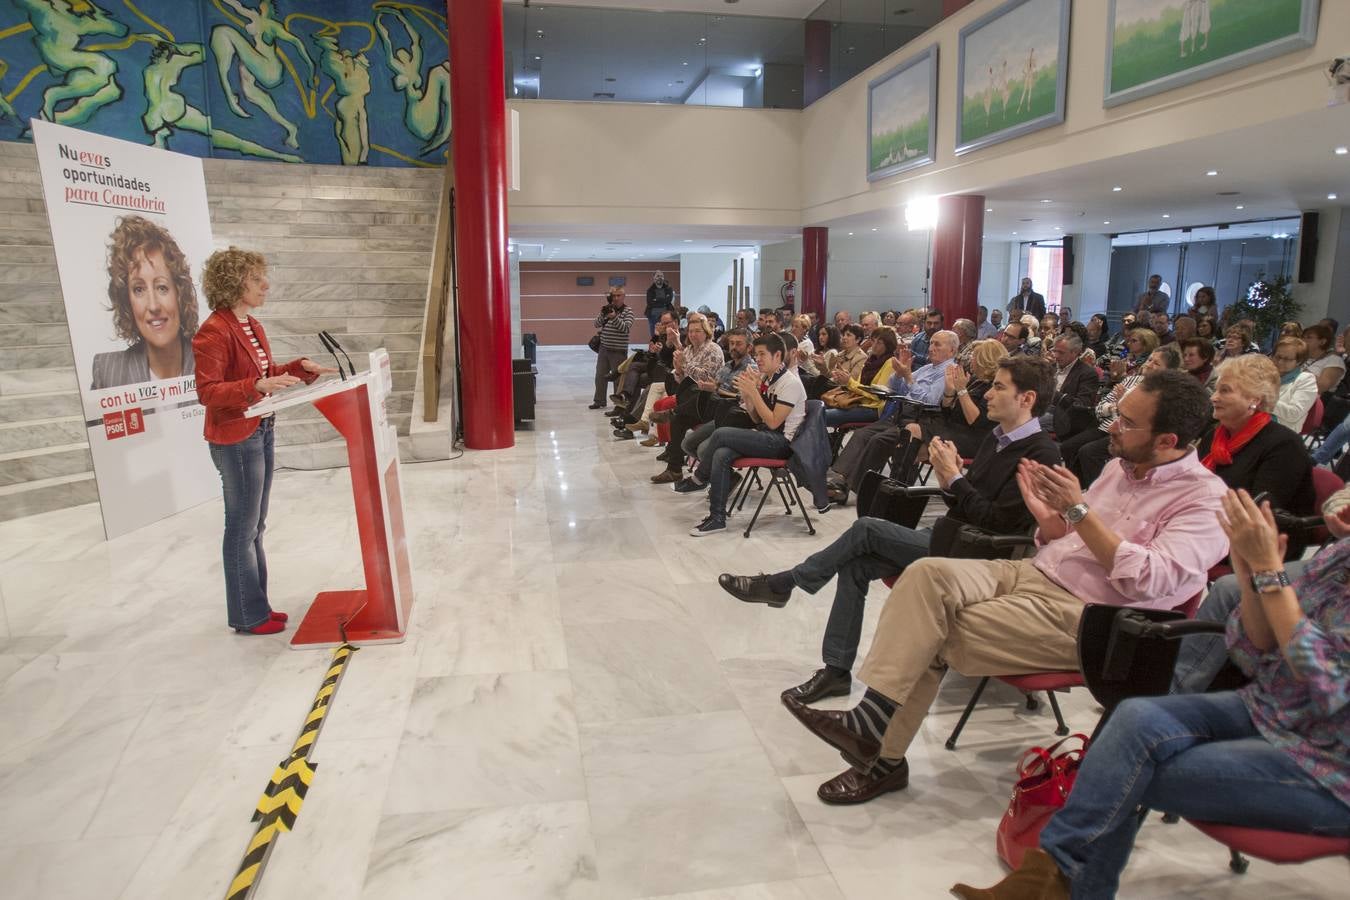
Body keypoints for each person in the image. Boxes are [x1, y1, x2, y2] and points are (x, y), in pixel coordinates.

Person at [782, 370, 1229, 803]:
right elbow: (1067, 535)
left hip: (1094, 616)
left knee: (933, 631)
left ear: (1168, 441)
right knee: (924, 576)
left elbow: (1151, 578)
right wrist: (1051, 516)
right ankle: (870, 729)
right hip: (1035, 572)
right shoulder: (1120, 467)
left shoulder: (1205, 500)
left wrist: (1077, 512)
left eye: (1128, 423)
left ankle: (879, 757)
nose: (1112, 426)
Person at [955, 494, 1350, 900]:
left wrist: (1269, 572)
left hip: (1327, 763)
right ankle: (1057, 880)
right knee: (1134, 718)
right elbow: (1256, 646)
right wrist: (1251, 576)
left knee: (1124, 772)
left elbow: (1329, 682)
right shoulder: (1340, 557)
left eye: (1127, 423)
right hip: (1274, 710)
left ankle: (1057, 883)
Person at [717, 356, 1061, 714]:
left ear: (1027, 399)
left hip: (980, 558)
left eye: (999, 386)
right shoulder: (998, 438)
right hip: (953, 536)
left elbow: (999, 523)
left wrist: (956, 480)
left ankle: (784, 583)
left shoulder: (1040, 454)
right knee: (857, 564)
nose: (987, 394)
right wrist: (951, 479)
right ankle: (836, 670)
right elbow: (966, 503)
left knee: (866, 528)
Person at [193, 248, 336, 635]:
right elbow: (208, 391)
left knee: (256, 525)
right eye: (257, 279)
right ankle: (247, 614)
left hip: (262, 428)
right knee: (241, 527)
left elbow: (263, 372)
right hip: (236, 436)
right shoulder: (213, 331)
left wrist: (298, 370)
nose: (265, 285)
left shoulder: (251, 326)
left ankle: (257, 605)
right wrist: (255, 385)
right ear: (235, 283)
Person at [674, 333, 812, 536]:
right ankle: (717, 518)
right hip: (766, 435)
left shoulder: (790, 383)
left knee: (721, 434)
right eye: (756, 354)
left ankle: (699, 479)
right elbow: (757, 419)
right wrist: (749, 395)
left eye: (762, 354)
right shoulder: (770, 378)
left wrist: (755, 393)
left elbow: (773, 423)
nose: (758, 359)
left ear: (778, 356)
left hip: (782, 443)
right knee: (721, 453)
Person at [1199, 354, 1316, 555]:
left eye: (1224, 391)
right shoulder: (1216, 434)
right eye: (1217, 389)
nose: (1213, 397)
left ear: (1254, 399)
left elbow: (1259, 512)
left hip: (1262, 543)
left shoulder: (1284, 445)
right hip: (1211, 525)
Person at [824, 330, 960, 500]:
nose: (931, 348)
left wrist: (909, 377)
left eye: (937, 344)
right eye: (931, 343)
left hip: (923, 420)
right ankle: (841, 479)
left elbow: (931, 401)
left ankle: (847, 487)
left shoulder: (950, 371)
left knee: (878, 440)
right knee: (862, 434)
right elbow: (895, 388)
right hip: (901, 413)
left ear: (952, 351)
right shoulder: (926, 368)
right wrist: (899, 373)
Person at [91, 216, 200, 390]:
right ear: (127, 301)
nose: (153, 306)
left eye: (162, 287)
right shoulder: (107, 374)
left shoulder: (214, 362)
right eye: (139, 289)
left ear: (179, 292)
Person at [1061, 346, 1178, 484]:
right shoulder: (1132, 380)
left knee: (1089, 452)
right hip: (1105, 425)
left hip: (1129, 432)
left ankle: (1099, 489)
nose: (1149, 364)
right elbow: (1100, 407)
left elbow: (1140, 419)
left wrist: (1122, 404)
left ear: (1168, 371)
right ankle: (1076, 485)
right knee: (1068, 447)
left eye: (1156, 364)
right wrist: (1117, 406)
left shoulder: (1163, 392)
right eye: (1150, 359)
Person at [824, 326, 898, 427]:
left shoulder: (890, 362)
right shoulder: (870, 360)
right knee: (817, 410)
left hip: (873, 408)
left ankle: (822, 442)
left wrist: (849, 382)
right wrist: (845, 378)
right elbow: (858, 385)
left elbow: (878, 394)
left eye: (879, 343)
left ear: (888, 346)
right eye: (873, 341)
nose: (874, 345)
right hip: (858, 402)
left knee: (823, 416)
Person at [1044, 332, 1100, 439]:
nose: (1056, 356)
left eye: (1061, 352)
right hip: (1042, 408)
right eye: (1054, 351)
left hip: (1064, 416)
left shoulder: (1087, 374)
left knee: (1027, 424)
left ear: (1075, 353)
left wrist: (1055, 395)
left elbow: (1083, 405)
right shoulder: (1050, 367)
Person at [590, 288, 634, 409]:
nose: (615, 298)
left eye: (618, 295)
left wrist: (614, 317)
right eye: (613, 295)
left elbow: (625, 328)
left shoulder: (628, 311)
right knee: (600, 376)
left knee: (618, 379)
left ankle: (618, 405)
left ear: (624, 296)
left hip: (618, 350)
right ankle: (599, 401)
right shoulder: (607, 309)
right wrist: (603, 314)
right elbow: (596, 324)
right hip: (604, 348)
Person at [1272, 336, 1319, 429]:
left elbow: (1294, 413)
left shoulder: (1306, 380)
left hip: (1279, 429)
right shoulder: (1267, 371)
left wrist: (1263, 400)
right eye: (1278, 357)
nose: (1280, 362)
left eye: (1287, 359)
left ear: (1299, 361)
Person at [1301, 323, 1346, 396]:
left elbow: (1322, 386)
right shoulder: (1303, 357)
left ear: (1322, 342)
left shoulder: (1334, 360)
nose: (1303, 340)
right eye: (1303, 337)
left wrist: (1297, 372)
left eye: (1309, 337)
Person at [644, 271, 675, 337]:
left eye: (661, 276)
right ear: (654, 278)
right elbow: (650, 303)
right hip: (653, 317)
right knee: (654, 336)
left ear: (663, 278)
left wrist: (656, 300)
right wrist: (663, 302)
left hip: (667, 317)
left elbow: (669, 300)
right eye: (658, 276)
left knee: (667, 335)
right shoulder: (650, 290)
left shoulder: (669, 289)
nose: (659, 277)